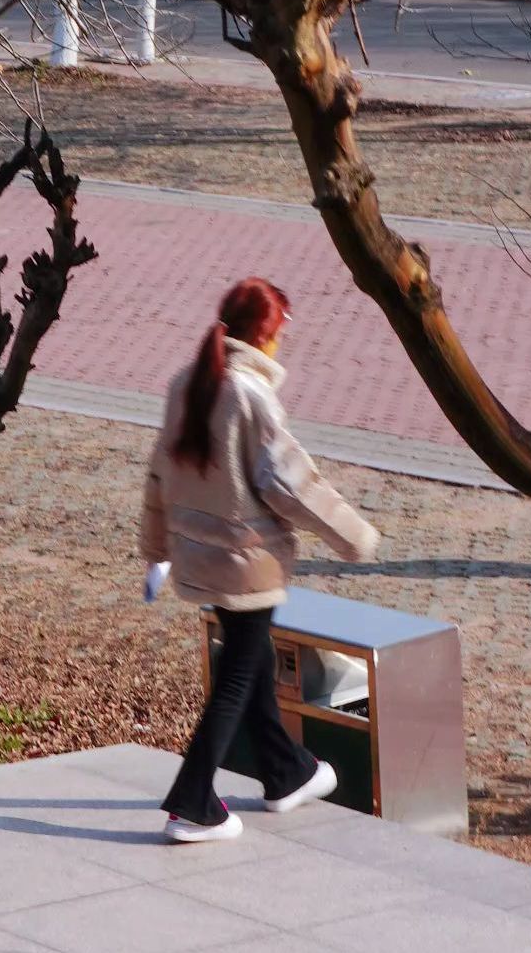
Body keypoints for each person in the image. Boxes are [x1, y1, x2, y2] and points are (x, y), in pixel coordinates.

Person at [139, 278, 380, 842]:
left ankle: (286, 773)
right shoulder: (250, 395)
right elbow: (290, 482)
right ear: (266, 337)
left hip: (200, 557)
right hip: (247, 562)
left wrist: (157, 552)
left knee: (252, 662)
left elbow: (158, 475)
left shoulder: (186, 383)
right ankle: (193, 802)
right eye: (279, 334)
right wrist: (354, 536)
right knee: (238, 673)